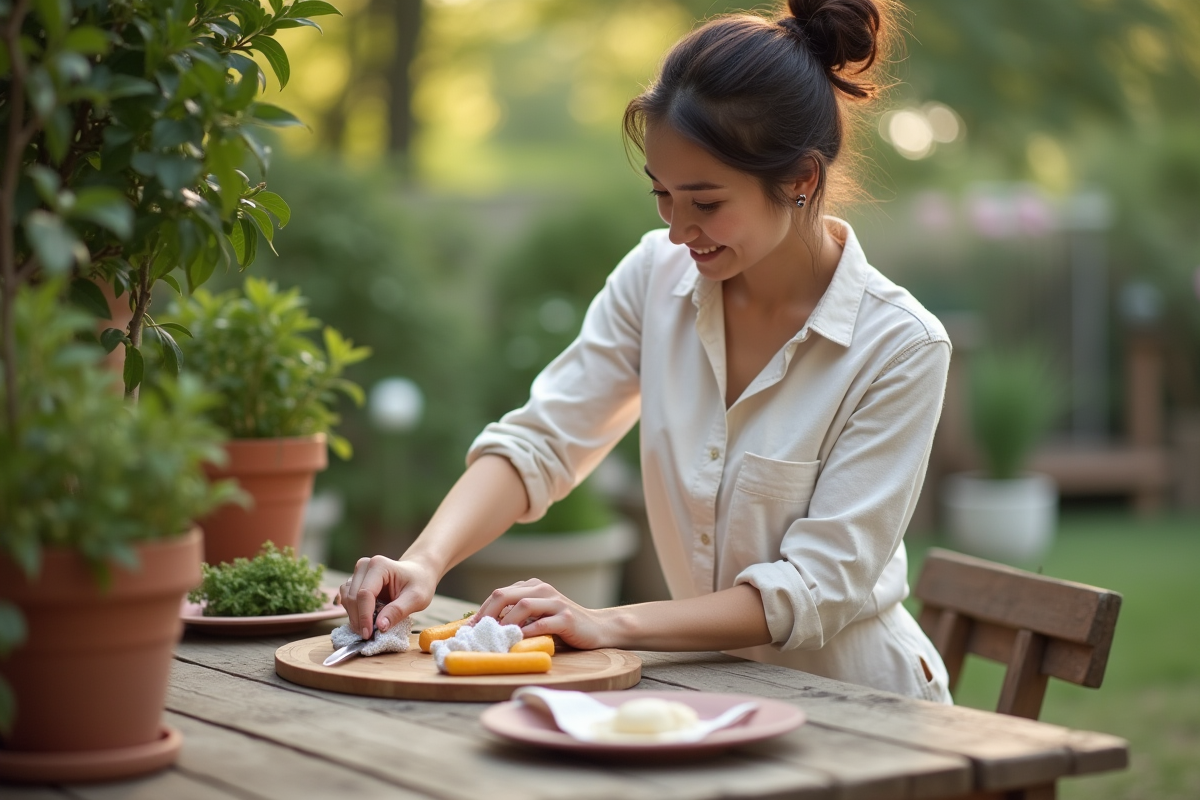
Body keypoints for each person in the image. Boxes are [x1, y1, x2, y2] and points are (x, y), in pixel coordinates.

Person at [340, 0, 952, 702]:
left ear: (801, 180)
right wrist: (424, 561)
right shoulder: (654, 279)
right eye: (663, 195)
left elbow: (817, 587)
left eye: (706, 201)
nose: (677, 230)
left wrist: (605, 622)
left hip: (863, 711)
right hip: (710, 696)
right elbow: (544, 440)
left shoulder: (900, 347)